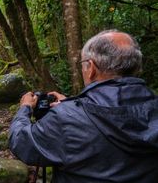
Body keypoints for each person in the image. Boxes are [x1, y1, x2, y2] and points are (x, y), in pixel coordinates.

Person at [9, 30, 158, 183]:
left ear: (91, 68)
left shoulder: (66, 119)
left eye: (82, 65)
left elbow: (21, 142)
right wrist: (73, 104)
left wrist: (25, 107)